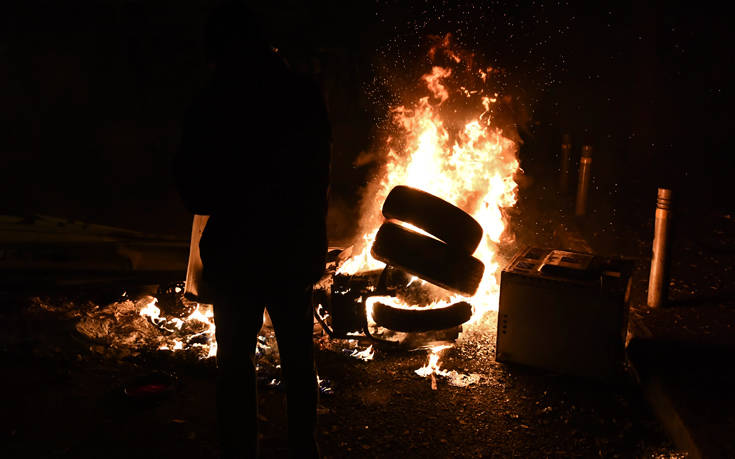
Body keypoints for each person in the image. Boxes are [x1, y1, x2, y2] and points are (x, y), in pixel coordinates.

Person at [172, 2, 331, 457]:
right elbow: (318, 177)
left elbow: (195, 192)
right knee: (299, 359)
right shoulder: (302, 95)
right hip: (291, 251)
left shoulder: (212, 103)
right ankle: (305, 449)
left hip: (236, 254)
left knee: (236, 365)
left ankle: (241, 452)